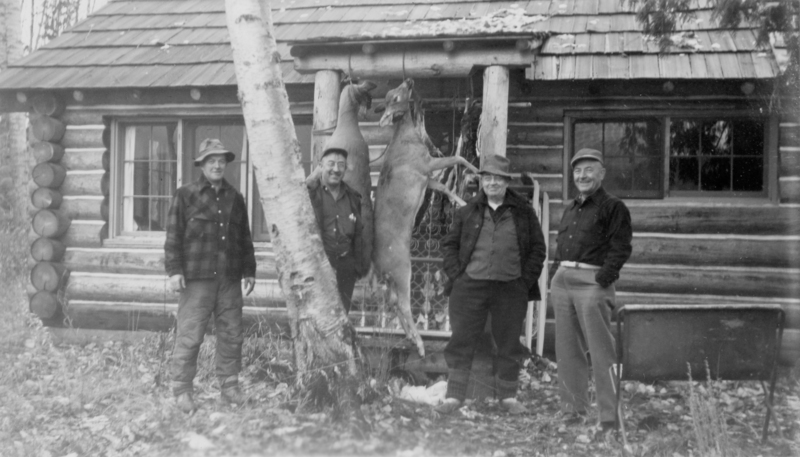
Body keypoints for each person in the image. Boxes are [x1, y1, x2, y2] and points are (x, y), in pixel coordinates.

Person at [437, 155, 547, 415]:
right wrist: (457, 275)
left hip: (510, 288)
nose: (492, 183)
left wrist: (523, 282)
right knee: (461, 339)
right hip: (469, 287)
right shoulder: (467, 212)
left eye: (498, 178)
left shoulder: (523, 213)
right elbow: (449, 245)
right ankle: (454, 397)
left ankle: (508, 398)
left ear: (507, 182)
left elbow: (538, 250)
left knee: (509, 342)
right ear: (481, 181)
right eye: (487, 178)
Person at [164, 138, 256, 413]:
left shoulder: (235, 198)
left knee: (232, 335)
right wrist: (174, 270)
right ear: (201, 164)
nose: (217, 165)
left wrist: (249, 270)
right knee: (190, 335)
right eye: (211, 160)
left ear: (226, 163)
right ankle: (182, 390)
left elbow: (245, 238)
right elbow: (173, 237)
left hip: (228, 279)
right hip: (196, 280)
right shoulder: (185, 195)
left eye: (221, 160)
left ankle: (229, 387)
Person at [550, 148, 632, 433]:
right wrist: (555, 274)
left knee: (601, 352)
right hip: (563, 281)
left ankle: (610, 417)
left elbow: (621, 247)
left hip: (591, 282)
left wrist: (602, 280)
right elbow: (563, 245)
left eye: (589, 170)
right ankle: (572, 410)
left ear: (602, 173)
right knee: (568, 350)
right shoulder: (572, 207)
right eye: (577, 171)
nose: (582, 176)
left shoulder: (613, 207)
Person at [307, 146, 365, 312]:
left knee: (342, 314)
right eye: (331, 164)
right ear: (321, 166)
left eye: (341, 165)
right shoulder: (310, 195)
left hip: (346, 266)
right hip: (319, 265)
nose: (336, 169)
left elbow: (358, 234)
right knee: (320, 314)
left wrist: (356, 266)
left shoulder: (353, 197)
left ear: (345, 169)